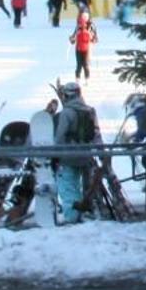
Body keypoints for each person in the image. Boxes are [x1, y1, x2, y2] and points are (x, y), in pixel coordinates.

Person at [51, 83, 98, 224]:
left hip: (68, 155)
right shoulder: (90, 111)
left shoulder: (66, 113)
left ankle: (71, 216)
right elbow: (96, 133)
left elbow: (60, 136)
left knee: (67, 185)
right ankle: (79, 213)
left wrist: (54, 154)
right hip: (85, 154)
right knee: (77, 184)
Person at [70, 8, 95, 79]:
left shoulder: (91, 26)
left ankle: (84, 76)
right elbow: (74, 36)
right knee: (83, 64)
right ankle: (84, 77)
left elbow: (94, 36)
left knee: (83, 64)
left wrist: (93, 38)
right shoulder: (79, 26)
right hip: (81, 47)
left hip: (86, 46)